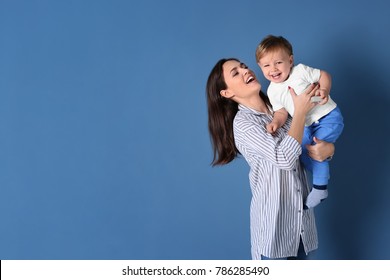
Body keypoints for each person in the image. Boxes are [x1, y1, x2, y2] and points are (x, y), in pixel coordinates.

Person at [206, 58, 335, 260]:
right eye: (235, 73)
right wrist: (300, 111)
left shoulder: (281, 108)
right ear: (227, 93)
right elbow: (284, 158)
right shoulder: (243, 124)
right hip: (274, 233)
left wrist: (328, 148)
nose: (245, 70)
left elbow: (307, 146)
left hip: (303, 227)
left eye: (244, 66)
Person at [255, 35, 344, 208]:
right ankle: (321, 171)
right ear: (260, 67)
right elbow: (281, 112)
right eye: (266, 65)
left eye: (278, 63)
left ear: (290, 60)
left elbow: (323, 75)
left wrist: (324, 89)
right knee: (302, 151)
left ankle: (320, 187)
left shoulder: (300, 71)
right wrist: (276, 122)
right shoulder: (272, 91)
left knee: (315, 148)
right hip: (306, 125)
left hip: (328, 117)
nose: (273, 69)